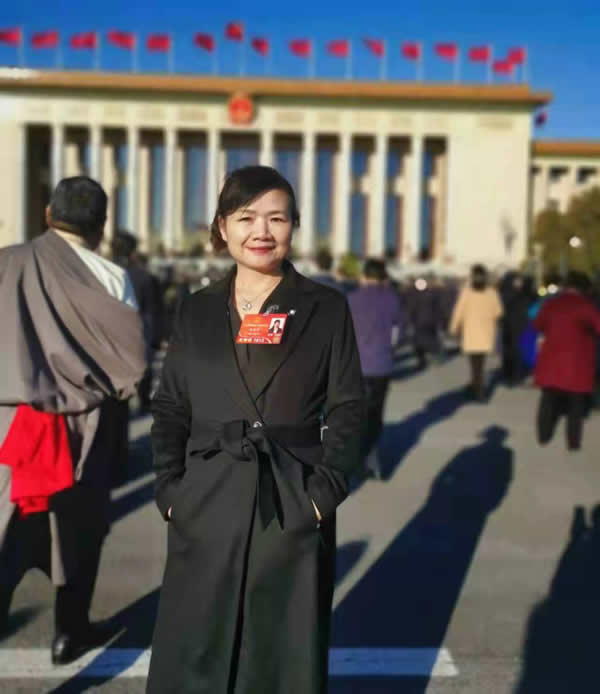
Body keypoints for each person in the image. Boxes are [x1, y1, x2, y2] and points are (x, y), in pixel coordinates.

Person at [147, 166, 364, 694]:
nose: (261, 231)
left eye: (277, 218)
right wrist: (171, 491)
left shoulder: (325, 308)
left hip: (289, 495)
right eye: (246, 218)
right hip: (205, 497)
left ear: (294, 226)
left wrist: (322, 494)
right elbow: (171, 404)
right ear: (222, 226)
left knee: (276, 657)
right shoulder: (197, 309)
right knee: (195, 651)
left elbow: (350, 407)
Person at [0, 177, 145, 663]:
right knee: (78, 530)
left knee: (5, 528)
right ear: (101, 226)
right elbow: (132, 361)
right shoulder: (113, 277)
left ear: (47, 214)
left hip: (9, 423)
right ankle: (69, 633)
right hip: (84, 424)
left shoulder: (6, 263)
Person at [348, 258, 404, 479]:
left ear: (363, 276)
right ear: (383, 278)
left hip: (354, 366)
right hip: (381, 364)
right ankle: (372, 456)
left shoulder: (351, 299)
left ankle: (355, 459)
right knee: (375, 412)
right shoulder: (392, 299)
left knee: (354, 414)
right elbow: (397, 334)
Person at [533, 271, 600, 451]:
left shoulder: (551, 304)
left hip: (551, 360)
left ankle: (543, 436)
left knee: (547, 400)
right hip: (577, 363)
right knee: (576, 405)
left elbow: (538, 325)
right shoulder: (586, 307)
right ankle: (573, 442)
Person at [449, 264, 504, 401]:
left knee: (475, 365)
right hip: (486, 333)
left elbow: (458, 312)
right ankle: (475, 386)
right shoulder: (491, 293)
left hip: (471, 334)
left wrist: (453, 328)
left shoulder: (466, 292)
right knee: (480, 364)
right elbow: (498, 312)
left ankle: (479, 391)